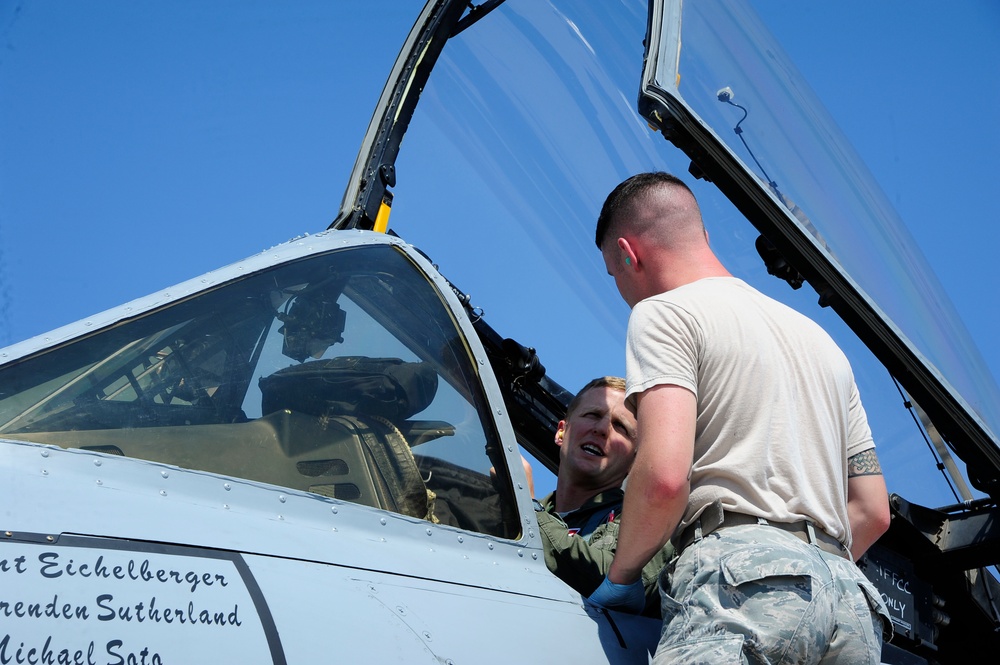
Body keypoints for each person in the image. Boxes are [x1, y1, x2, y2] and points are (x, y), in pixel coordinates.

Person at [587, 172, 892, 662]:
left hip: (739, 587)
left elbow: (665, 478)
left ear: (628, 253)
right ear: (703, 236)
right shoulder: (823, 344)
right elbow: (874, 511)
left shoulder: (665, 314)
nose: (620, 287)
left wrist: (621, 577)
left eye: (613, 272)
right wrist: (803, 567)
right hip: (850, 605)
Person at [534, 376, 670, 617]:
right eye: (593, 415)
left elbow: (615, 580)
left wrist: (527, 514)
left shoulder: (645, 525)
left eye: (620, 427)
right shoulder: (510, 512)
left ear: (635, 463)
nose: (602, 429)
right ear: (562, 432)